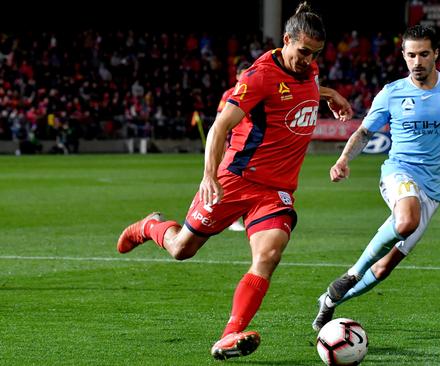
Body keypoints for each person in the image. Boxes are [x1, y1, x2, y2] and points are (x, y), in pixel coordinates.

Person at [116, 2, 353, 360]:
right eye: (303, 51)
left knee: (268, 255)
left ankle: (230, 335)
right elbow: (219, 127)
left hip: (276, 191)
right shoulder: (258, 76)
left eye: (315, 53)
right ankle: (151, 226)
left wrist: (329, 94)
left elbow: (295, 92)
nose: (308, 59)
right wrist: (209, 175)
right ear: (286, 40)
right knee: (182, 249)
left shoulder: (309, 70)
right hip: (236, 179)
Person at [312, 25, 440, 331]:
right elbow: (365, 132)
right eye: (412, 55)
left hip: (434, 189)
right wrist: (343, 159)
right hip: (399, 172)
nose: (418, 61)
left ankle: (329, 300)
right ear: (404, 56)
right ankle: (350, 274)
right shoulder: (391, 93)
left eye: (424, 54)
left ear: (436, 55)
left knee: (384, 267)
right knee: (406, 220)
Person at [217, 60, 251, 232]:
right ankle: (228, 218)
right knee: (228, 180)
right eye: (243, 73)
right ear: (237, 75)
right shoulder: (229, 94)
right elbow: (219, 121)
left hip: (244, 146)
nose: (246, 76)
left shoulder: (254, 91)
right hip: (229, 144)